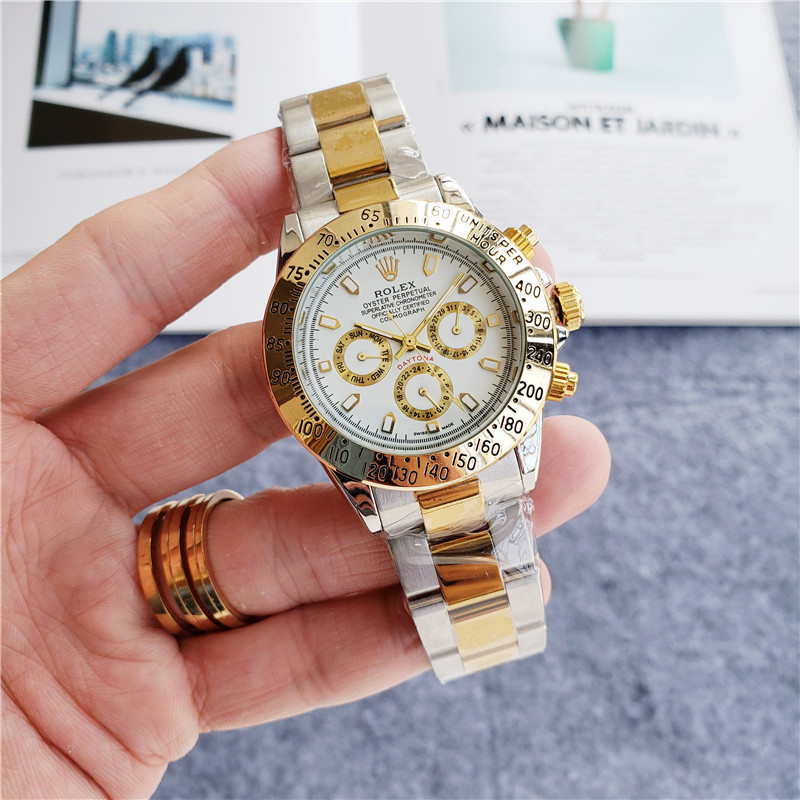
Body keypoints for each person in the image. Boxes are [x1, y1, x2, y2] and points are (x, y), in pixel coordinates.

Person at [1, 128, 611, 799]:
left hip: (437, 437)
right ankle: (483, 624)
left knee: (486, 607)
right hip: (400, 445)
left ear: (544, 311)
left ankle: (486, 624)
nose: (414, 347)